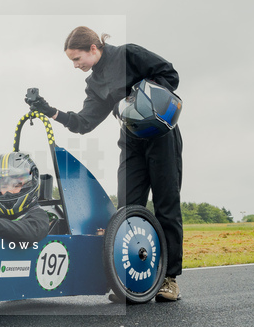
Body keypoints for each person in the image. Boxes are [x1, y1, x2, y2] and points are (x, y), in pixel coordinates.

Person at [27, 26, 183, 301]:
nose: (76, 66)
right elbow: (84, 123)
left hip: (160, 135)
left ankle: (169, 279)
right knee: (127, 208)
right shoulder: (94, 84)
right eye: (72, 62)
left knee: (165, 204)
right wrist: (50, 110)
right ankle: (131, 279)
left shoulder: (129, 54)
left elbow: (170, 74)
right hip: (132, 141)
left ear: (93, 49)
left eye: (77, 59)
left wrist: (144, 99)